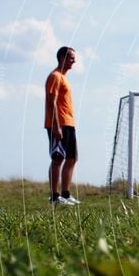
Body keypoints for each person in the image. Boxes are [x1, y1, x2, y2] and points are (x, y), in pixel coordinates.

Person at [44, 46, 80, 205]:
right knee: (58, 158)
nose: (74, 60)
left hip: (69, 123)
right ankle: (54, 197)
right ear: (62, 58)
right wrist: (56, 126)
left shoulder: (64, 78)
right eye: (71, 57)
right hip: (58, 123)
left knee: (72, 158)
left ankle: (66, 194)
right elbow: (52, 102)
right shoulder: (55, 76)